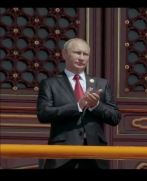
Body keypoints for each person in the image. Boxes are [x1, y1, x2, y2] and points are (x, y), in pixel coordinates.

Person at [37, 38, 121, 169]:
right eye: (77, 53)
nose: (81, 58)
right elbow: (43, 114)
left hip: (95, 154)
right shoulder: (50, 84)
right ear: (64, 54)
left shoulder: (101, 84)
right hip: (63, 153)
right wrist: (77, 106)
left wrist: (96, 106)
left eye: (85, 54)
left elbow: (115, 117)